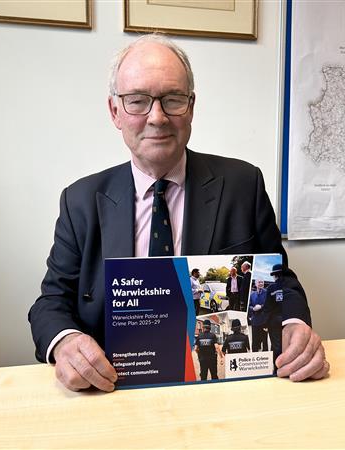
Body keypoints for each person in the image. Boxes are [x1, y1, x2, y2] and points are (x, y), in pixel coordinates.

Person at [28, 34, 329, 392]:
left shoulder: (242, 185)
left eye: (172, 99)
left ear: (191, 106)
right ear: (115, 112)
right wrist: (65, 342)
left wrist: (293, 323)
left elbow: (280, 280)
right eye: (137, 101)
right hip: (114, 386)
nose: (157, 117)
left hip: (223, 384)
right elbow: (51, 302)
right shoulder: (80, 200)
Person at [248, 279, 268, 352]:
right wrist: (253, 309)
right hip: (255, 320)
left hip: (264, 321)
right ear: (256, 284)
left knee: (264, 340)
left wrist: (261, 307)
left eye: (262, 282)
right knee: (255, 339)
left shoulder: (267, 293)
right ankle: (255, 354)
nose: (261, 283)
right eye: (259, 282)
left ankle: (265, 355)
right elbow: (249, 306)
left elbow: (269, 304)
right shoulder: (252, 294)